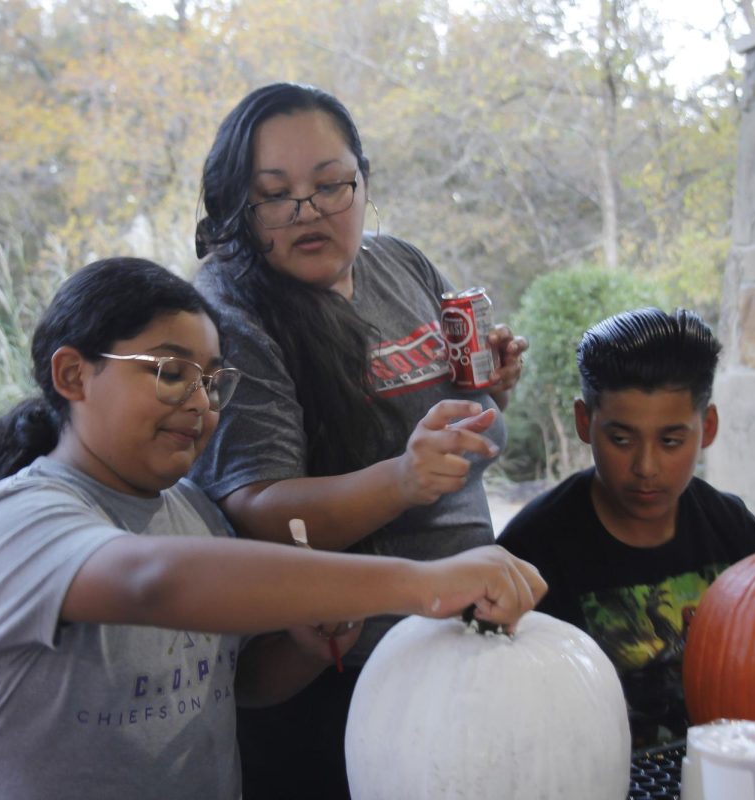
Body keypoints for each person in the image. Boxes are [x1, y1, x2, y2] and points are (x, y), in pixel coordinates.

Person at [0, 257, 545, 800]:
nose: (201, 403)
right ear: (74, 375)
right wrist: (421, 585)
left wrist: (304, 646)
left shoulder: (197, 514)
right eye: (171, 372)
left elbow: (238, 684)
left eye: (212, 381)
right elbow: (151, 582)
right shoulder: (21, 516)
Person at [191, 82, 530, 798]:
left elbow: (453, 423)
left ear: (364, 181)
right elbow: (256, 511)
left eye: (331, 185)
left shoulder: (400, 265)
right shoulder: (233, 317)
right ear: (238, 208)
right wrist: (401, 479)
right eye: (275, 195)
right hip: (343, 672)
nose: (307, 211)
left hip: (465, 635)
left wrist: (486, 394)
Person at [497, 307, 755, 748]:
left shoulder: (736, 535)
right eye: (621, 440)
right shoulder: (531, 552)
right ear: (585, 422)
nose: (646, 467)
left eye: (670, 441)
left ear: (709, 427)